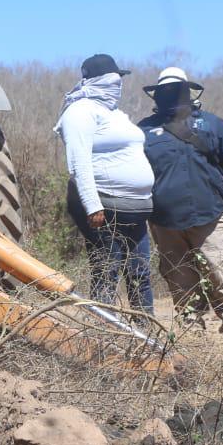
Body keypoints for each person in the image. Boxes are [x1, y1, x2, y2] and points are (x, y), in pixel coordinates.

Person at [137, 67, 223, 335]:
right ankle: (192, 334)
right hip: (164, 220)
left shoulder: (212, 124)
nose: (171, 95)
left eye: (176, 90)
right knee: (179, 278)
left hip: (209, 213)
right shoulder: (144, 130)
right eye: (165, 91)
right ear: (157, 95)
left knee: (219, 271)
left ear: (187, 92)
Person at [54, 54, 155, 316]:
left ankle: (146, 328)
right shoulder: (80, 111)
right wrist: (92, 206)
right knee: (107, 270)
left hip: (135, 210)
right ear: (100, 80)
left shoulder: (117, 114)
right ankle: (104, 331)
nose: (118, 84)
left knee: (140, 273)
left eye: (120, 79)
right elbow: (78, 162)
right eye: (114, 79)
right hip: (104, 206)